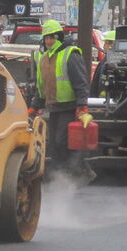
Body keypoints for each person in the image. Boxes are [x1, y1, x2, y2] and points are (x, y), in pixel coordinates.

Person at [29, 18, 91, 176]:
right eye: (46, 38)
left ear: (59, 37)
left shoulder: (70, 54)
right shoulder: (44, 58)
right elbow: (41, 87)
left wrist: (82, 106)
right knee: (53, 145)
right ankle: (60, 174)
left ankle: (76, 172)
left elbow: (81, 82)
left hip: (69, 107)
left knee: (62, 141)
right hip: (53, 107)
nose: (49, 41)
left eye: (52, 37)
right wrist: (34, 106)